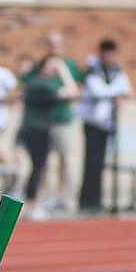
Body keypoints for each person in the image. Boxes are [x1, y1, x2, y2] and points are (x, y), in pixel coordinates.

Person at [18, 55, 81, 220]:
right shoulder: (41, 83)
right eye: (52, 68)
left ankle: (32, 203)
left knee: (38, 166)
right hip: (36, 129)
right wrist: (64, 72)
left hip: (39, 129)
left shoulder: (42, 83)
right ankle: (30, 204)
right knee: (37, 167)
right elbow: (73, 91)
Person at [77, 39, 134, 213]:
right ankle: (86, 200)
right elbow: (99, 92)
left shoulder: (115, 71)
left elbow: (128, 89)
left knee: (101, 163)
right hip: (93, 123)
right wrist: (118, 92)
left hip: (107, 123)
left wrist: (119, 91)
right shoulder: (92, 70)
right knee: (91, 162)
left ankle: (97, 199)